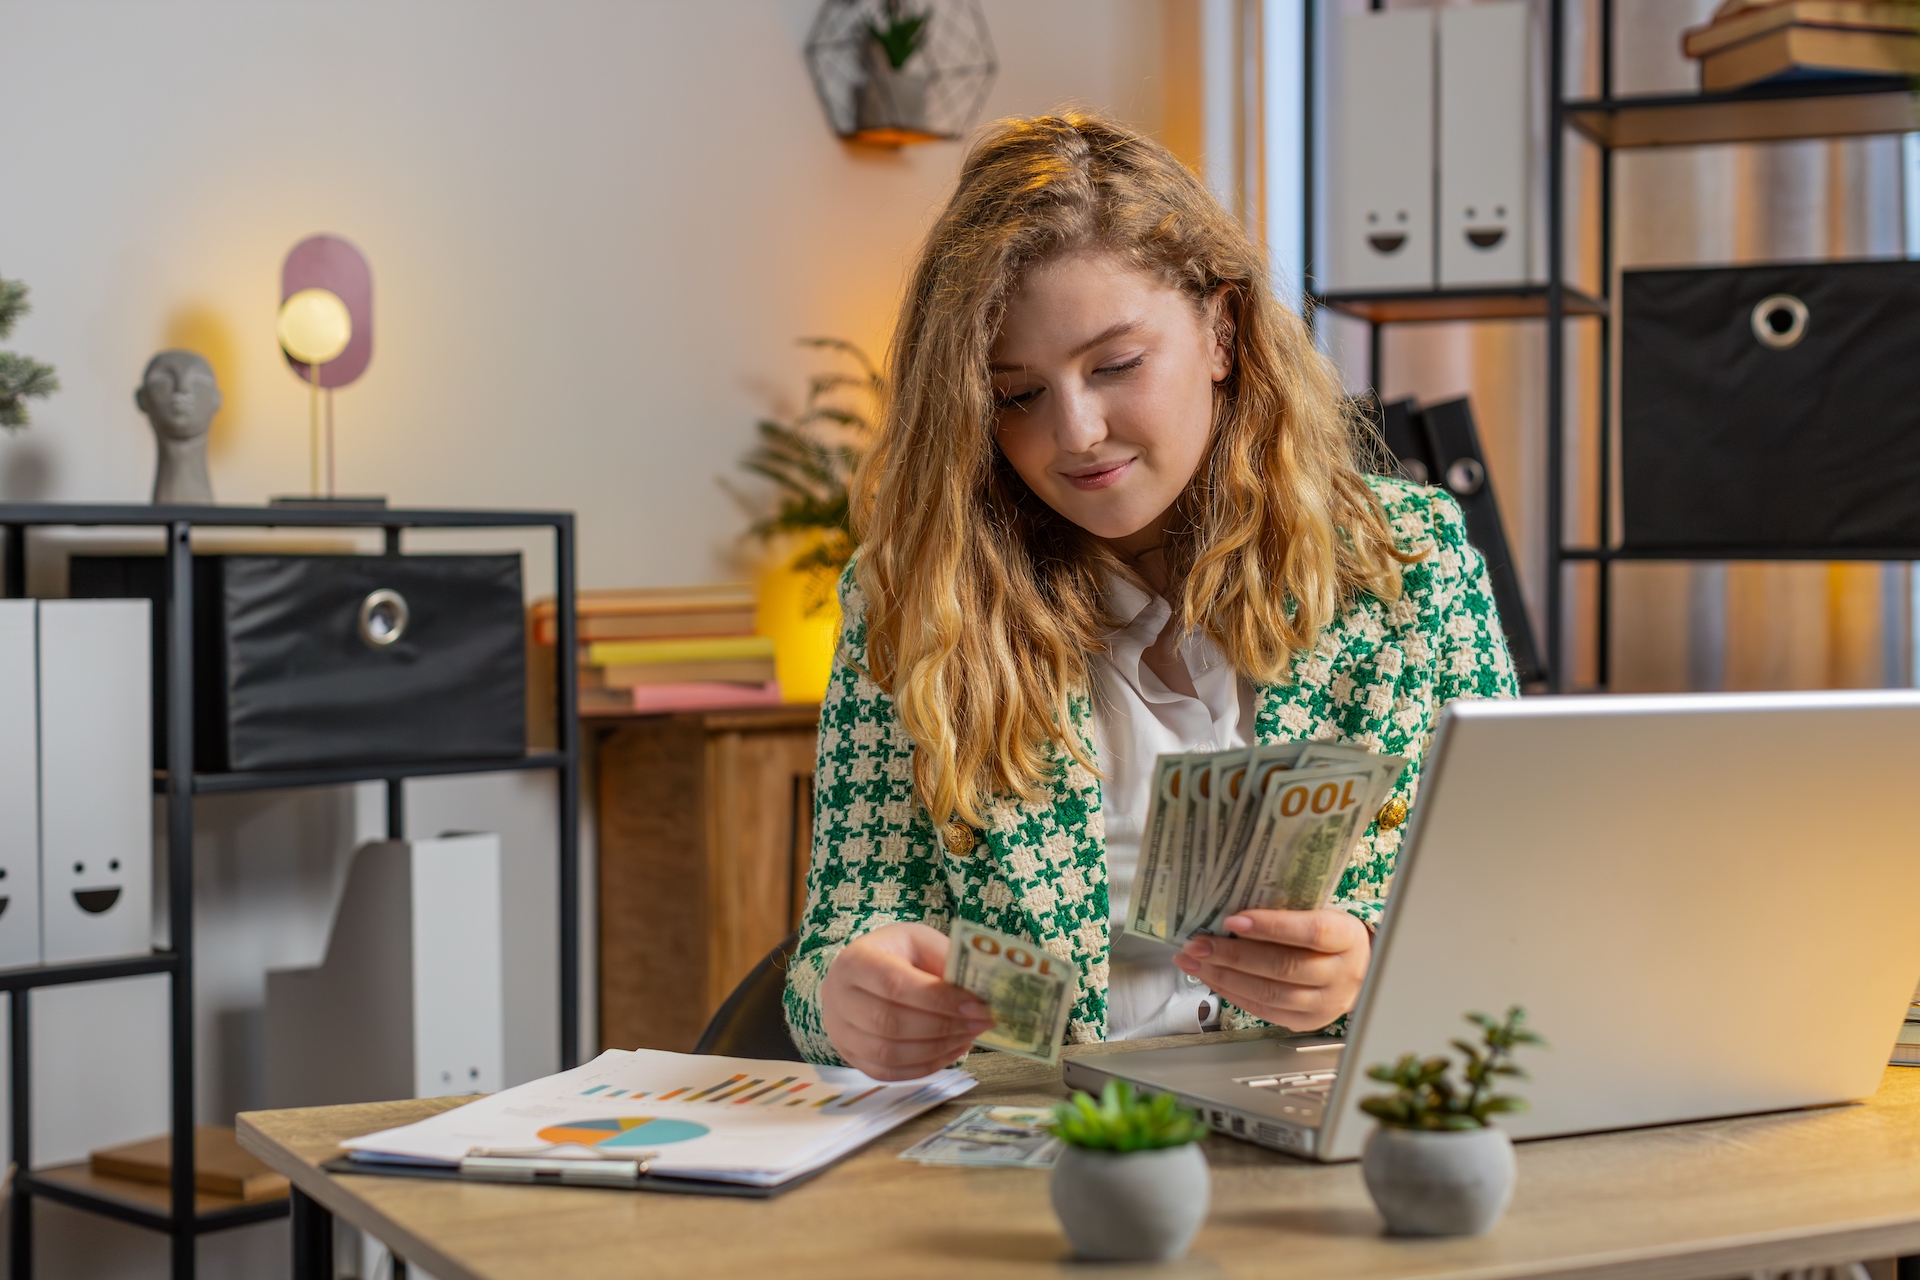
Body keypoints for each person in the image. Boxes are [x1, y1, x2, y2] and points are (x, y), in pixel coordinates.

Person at [782, 112, 1518, 1080]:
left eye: (1116, 365)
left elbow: (1510, 917)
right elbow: (845, 924)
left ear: (1222, 329)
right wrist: (848, 992)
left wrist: (1370, 966)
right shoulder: (913, 598)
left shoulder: (1409, 565)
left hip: (1323, 1146)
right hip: (1033, 1151)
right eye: (1017, 395)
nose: (1077, 430)